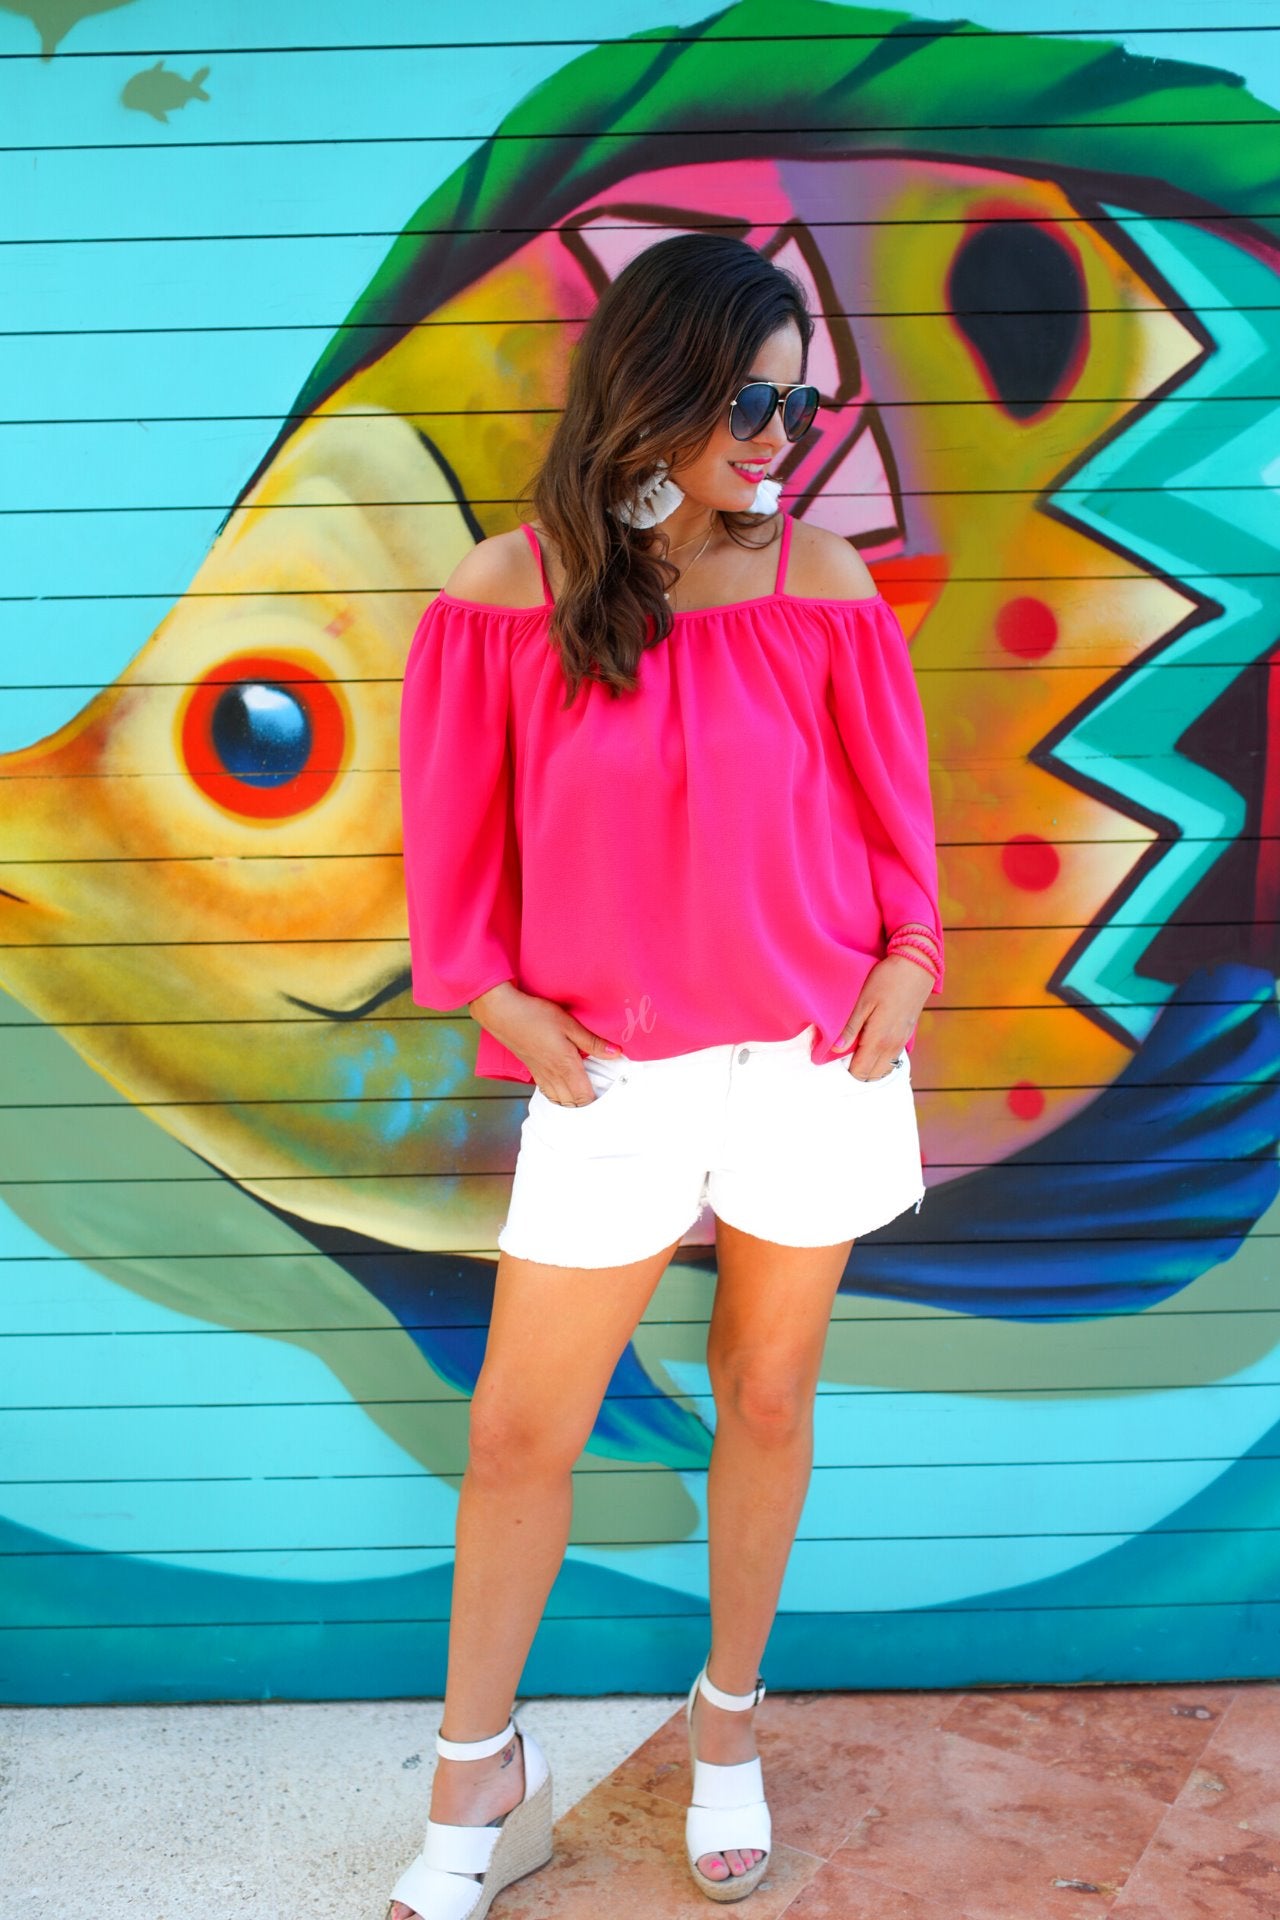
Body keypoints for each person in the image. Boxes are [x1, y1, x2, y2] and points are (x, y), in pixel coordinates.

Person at [389, 232, 944, 1919]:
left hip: (810, 1061)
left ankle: (727, 1722)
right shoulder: (508, 594)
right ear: (658, 384)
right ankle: (476, 1772)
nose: (780, 437)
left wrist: (912, 960)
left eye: (798, 404)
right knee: (518, 1436)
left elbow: (895, 822)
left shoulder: (820, 584)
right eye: (750, 401)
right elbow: (454, 860)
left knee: (766, 1398)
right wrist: (501, 1004)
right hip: (611, 1083)